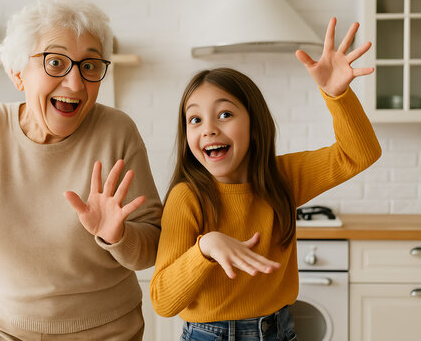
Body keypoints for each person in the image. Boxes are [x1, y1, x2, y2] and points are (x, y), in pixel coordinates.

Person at [0, 0, 162, 340]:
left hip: (106, 330)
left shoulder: (116, 131)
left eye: (89, 66)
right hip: (3, 329)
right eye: (55, 62)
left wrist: (118, 237)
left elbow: (153, 245)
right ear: (17, 73)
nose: (74, 84)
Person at [149, 17, 382, 341]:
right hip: (209, 335)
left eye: (225, 114)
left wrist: (337, 96)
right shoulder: (187, 197)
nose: (208, 129)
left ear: (255, 126)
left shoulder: (282, 178)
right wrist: (206, 248)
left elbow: (361, 154)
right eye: (195, 119)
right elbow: (162, 301)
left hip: (278, 331)